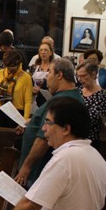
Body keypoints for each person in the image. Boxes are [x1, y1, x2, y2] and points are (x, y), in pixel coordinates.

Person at [15, 58, 85, 188]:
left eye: (50, 72)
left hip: (39, 170)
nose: (46, 77)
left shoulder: (62, 102)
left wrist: (26, 166)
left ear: (60, 75)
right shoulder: (70, 97)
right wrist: (32, 122)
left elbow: (43, 139)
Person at [0, 49, 32, 127]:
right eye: (8, 66)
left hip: (17, 111)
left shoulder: (26, 77)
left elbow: (28, 102)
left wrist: (25, 122)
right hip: (2, 108)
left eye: (13, 66)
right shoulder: (0, 73)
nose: (11, 68)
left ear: (19, 64)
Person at [76, 60, 106, 149]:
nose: (80, 79)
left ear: (93, 75)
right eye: (78, 76)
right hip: (75, 139)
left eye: (83, 76)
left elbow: (91, 119)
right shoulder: (78, 91)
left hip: (90, 142)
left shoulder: (100, 96)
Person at [30, 42, 54, 108]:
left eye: (46, 50)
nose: (43, 52)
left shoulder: (54, 68)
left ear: (50, 53)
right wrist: (31, 89)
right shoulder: (34, 67)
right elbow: (29, 82)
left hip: (46, 101)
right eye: (41, 50)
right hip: (33, 100)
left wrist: (41, 90)